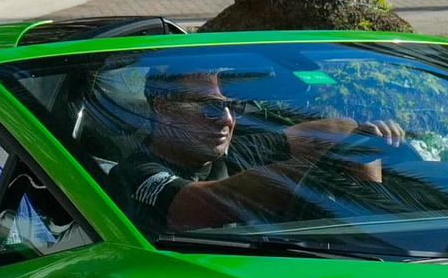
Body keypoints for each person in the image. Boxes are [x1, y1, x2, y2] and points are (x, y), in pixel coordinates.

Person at [107, 67, 403, 236]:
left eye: (232, 106)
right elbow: (204, 204)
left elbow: (340, 129)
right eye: (210, 107)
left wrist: (365, 144)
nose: (227, 119)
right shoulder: (137, 175)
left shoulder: (235, 151)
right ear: (164, 108)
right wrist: (318, 171)